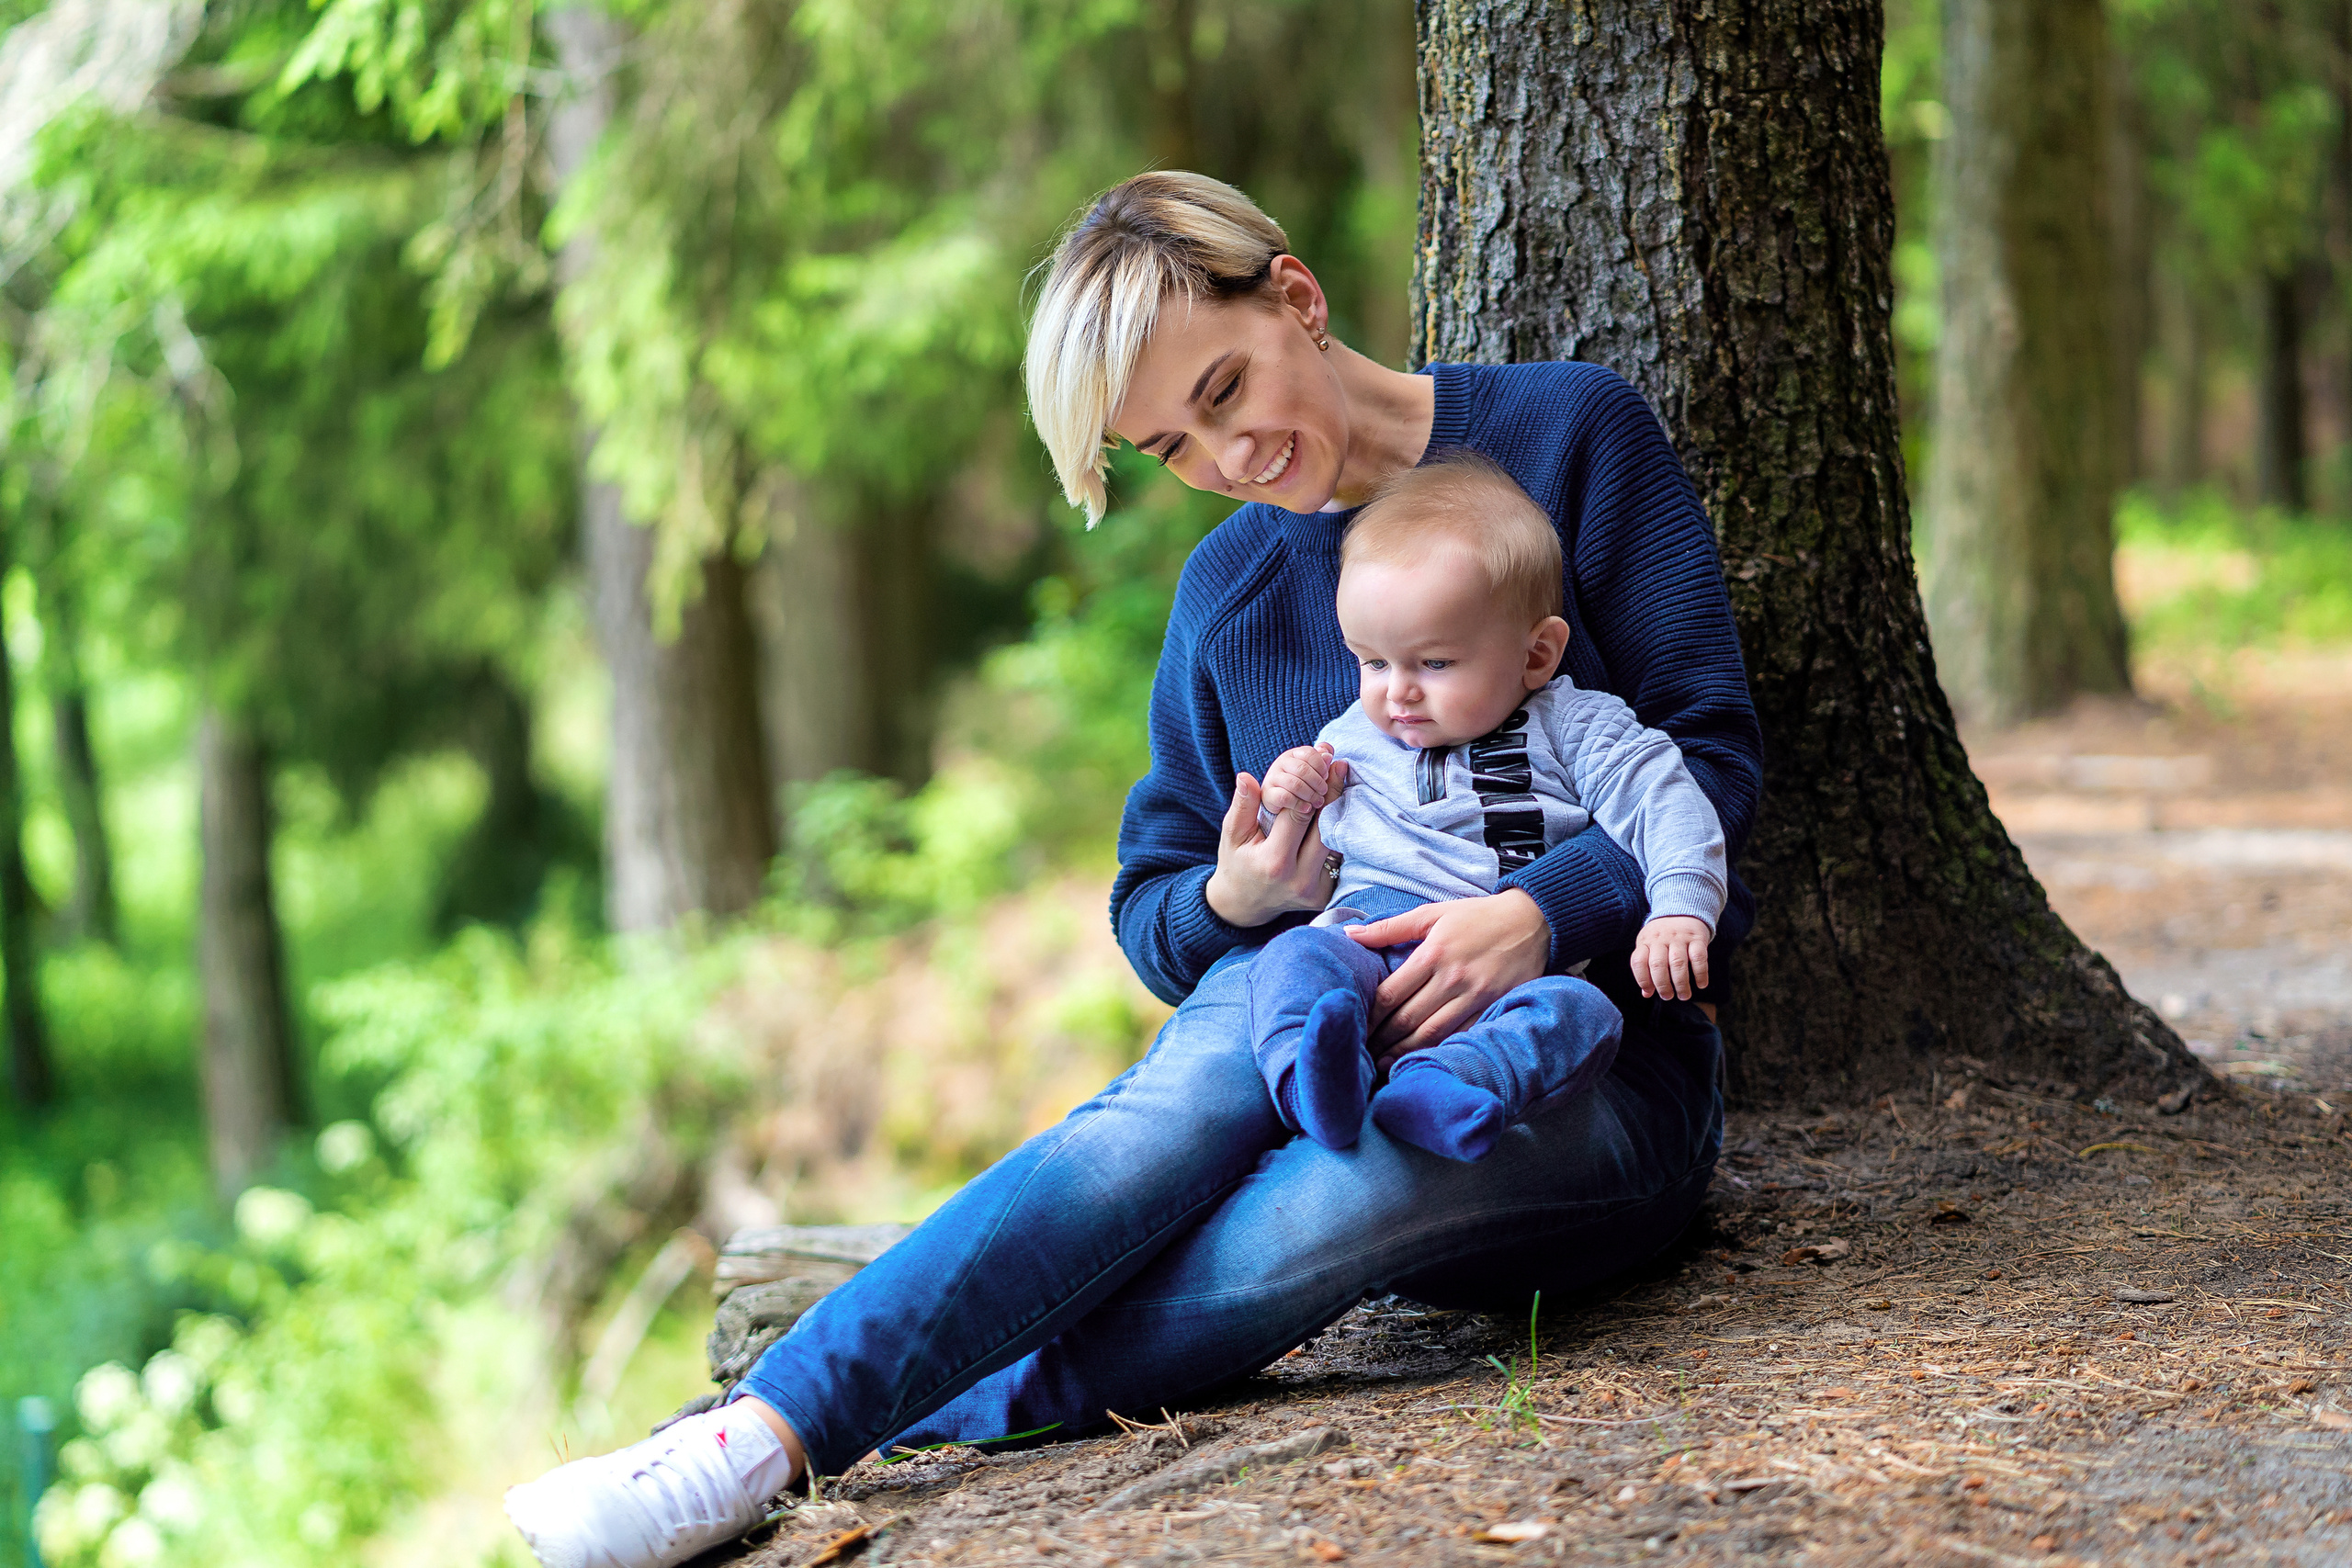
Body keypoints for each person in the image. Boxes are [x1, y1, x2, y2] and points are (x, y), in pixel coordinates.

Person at [504, 170, 1762, 1568]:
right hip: (1307, 1021)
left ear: (1295, 296)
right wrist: (1244, 896)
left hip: (1590, 1073)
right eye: (1169, 443)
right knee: (1156, 1115)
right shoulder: (1230, 595)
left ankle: (866, 1407)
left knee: (1347, 1192)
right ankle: (743, 1446)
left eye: (1224, 391)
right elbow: (1156, 909)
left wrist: (1540, 913)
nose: (1224, 458)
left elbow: (1710, 759)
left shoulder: (1568, 434)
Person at [1246, 451, 1724, 1164]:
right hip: (1366, 938)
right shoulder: (1350, 736)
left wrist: (1682, 902)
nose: (1396, 692)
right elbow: (1292, 837)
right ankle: (1313, 1072)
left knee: (1585, 1015)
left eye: (1433, 663)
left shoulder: (1578, 727)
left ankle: (1448, 1087)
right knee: (1292, 959)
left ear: (1536, 654)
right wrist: (1288, 793)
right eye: (1373, 661)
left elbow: (1665, 797)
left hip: (1512, 977)